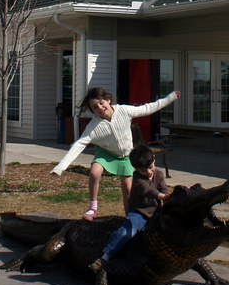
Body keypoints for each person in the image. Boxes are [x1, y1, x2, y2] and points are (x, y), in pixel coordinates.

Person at [51, 87, 179, 219]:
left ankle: (129, 215)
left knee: (128, 190)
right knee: (94, 173)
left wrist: (170, 98)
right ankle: (92, 208)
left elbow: (148, 108)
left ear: (108, 100)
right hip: (106, 154)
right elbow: (78, 145)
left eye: (101, 103)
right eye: (95, 107)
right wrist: (60, 167)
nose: (100, 108)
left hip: (125, 156)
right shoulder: (93, 126)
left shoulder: (124, 110)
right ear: (93, 111)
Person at [89, 145, 166, 272]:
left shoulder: (159, 174)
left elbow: (164, 189)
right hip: (139, 212)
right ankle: (105, 256)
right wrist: (161, 195)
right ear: (136, 169)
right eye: (143, 170)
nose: (149, 172)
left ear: (154, 160)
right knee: (126, 232)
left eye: (150, 168)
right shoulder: (137, 178)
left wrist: (167, 197)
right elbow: (148, 190)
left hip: (156, 213)